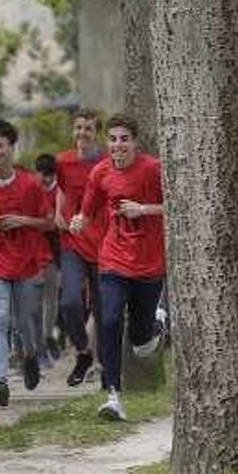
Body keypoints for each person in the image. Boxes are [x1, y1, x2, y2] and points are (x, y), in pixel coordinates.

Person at [70, 113, 164, 420]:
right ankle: (113, 396)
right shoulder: (100, 173)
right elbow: (87, 212)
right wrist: (79, 222)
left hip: (149, 265)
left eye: (124, 139)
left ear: (135, 142)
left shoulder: (153, 169)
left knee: (141, 343)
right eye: (113, 139)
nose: (118, 145)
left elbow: (179, 203)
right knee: (108, 321)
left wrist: (144, 209)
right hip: (113, 260)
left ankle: (156, 326)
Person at [0, 119, 54, 406]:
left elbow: (49, 222)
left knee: (23, 321)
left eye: (0, 146)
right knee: (0, 319)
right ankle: (0, 381)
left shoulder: (29, 185)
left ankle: (30, 355)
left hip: (26, 264)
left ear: (11, 149)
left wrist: (23, 220)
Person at [55, 108, 110, 387]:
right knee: (70, 302)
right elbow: (62, 189)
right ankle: (83, 352)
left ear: (96, 132)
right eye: (78, 128)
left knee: (103, 310)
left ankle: (106, 369)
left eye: (88, 129)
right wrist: (57, 212)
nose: (82, 134)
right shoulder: (62, 161)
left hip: (102, 242)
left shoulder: (107, 161)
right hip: (72, 241)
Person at [35, 153, 61, 366]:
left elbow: (54, 223)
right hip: (32, 254)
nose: (44, 179)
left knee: (50, 299)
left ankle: (47, 335)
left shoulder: (59, 192)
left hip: (53, 254)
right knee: (34, 301)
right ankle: (39, 343)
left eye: (48, 175)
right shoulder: (32, 190)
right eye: (41, 174)